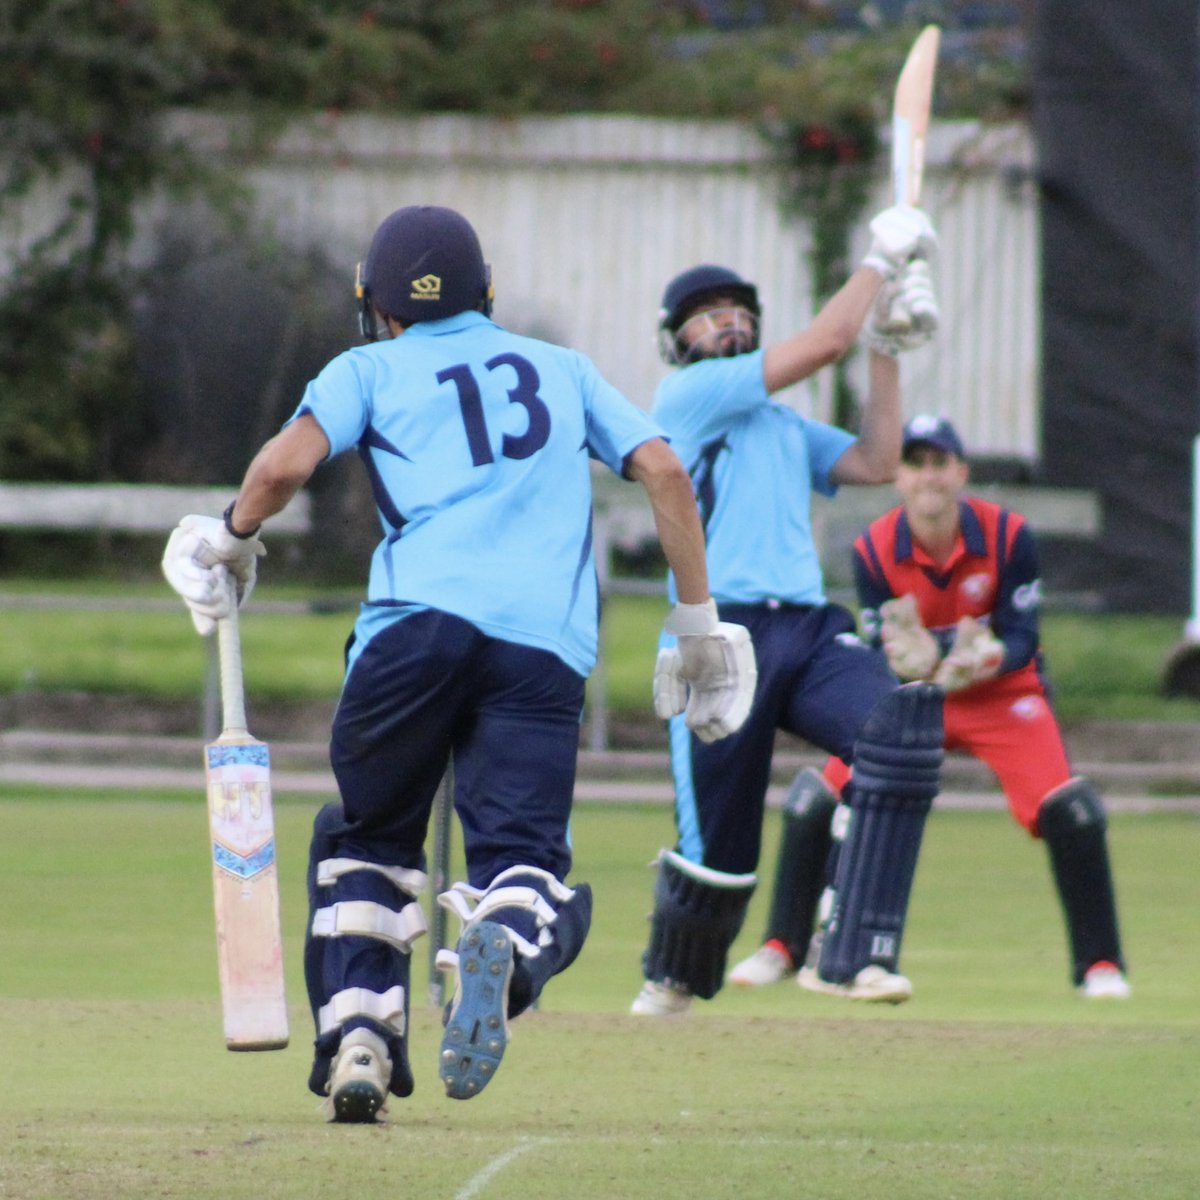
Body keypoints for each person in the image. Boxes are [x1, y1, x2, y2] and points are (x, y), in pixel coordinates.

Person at [162, 204, 757, 1120]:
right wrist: (697, 619)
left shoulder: (366, 366)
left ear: (380, 305)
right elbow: (667, 474)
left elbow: (282, 467)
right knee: (521, 862)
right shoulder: (562, 368)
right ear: (486, 293)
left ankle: (360, 1037)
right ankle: (507, 949)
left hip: (412, 635)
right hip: (540, 649)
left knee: (367, 841)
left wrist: (233, 536)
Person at [630, 204, 948, 1017]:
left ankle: (851, 955)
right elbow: (821, 344)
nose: (727, 328)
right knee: (718, 859)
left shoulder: (779, 421)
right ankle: (674, 975)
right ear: (680, 343)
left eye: (738, 316)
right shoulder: (688, 395)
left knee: (899, 732)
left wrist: (887, 347)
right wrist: (877, 258)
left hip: (807, 627)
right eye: (708, 320)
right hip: (720, 631)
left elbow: (878, 460)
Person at [729, 415, 1131, 1000]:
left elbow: (1023, 633)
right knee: (819, 797)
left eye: (940, 464)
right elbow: (875, 646)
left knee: (1071, 810)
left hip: (999, 693)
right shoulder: (873, 550)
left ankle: (1100, 966)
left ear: (961, 473)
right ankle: (781, 947)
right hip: (913, 701)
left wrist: (987, 655)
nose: (929, 478)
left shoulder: (1008, 535)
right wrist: (904, 661)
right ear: (900, 478)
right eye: (916, 465)